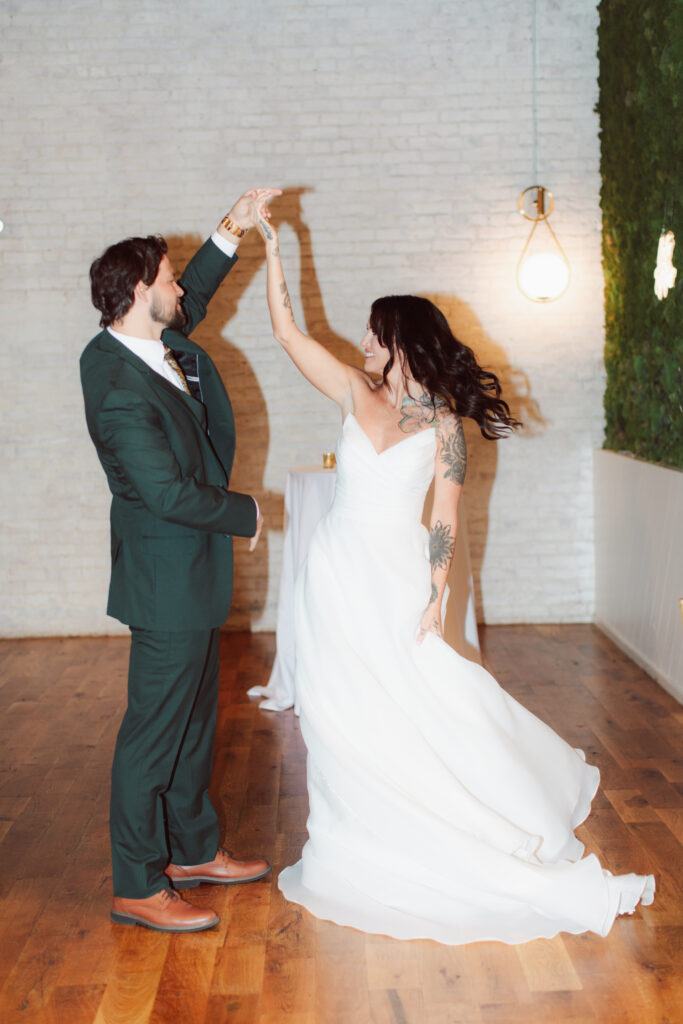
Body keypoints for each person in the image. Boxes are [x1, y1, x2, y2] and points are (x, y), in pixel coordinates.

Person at [253, 200, 655, 945]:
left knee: (424, 701)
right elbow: (286, 332)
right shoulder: (351, 388)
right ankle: (353, 833)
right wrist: (273, 245)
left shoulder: (443, 427)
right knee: (337, 712)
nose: (366, 340)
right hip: (334, 572)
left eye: (376, 330)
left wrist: (436, 593)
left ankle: (459, 818)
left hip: (394, 575)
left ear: (400, 337)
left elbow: (444, 516)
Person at [81, 187, 280, 933]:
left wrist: (232, 226)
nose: (177, 291)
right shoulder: (114, 385)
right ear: (137, 293)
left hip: (188, 576)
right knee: (153, 734)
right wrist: (246, 512)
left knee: (196, 724)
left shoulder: (143, 337)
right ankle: (137, 881)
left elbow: (192, 293)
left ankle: (192, 851)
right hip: (164, 580)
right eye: (166, 280)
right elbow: (164, 491)